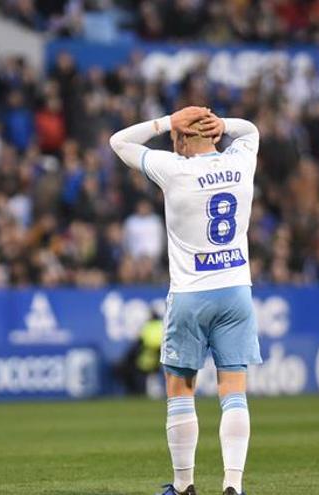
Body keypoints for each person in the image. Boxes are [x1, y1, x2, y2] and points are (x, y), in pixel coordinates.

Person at [110, 106, 261, 495]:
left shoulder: (174, 169)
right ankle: (233, 486)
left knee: (180, 391)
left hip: (190, 295)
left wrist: (163, 122)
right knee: (233, 390)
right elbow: (250, 131)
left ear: (179, 138)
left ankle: (183, 486)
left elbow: (118, 142)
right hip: (236, 293)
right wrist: (225, 124)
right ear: (213, 134)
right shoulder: (241, 160)